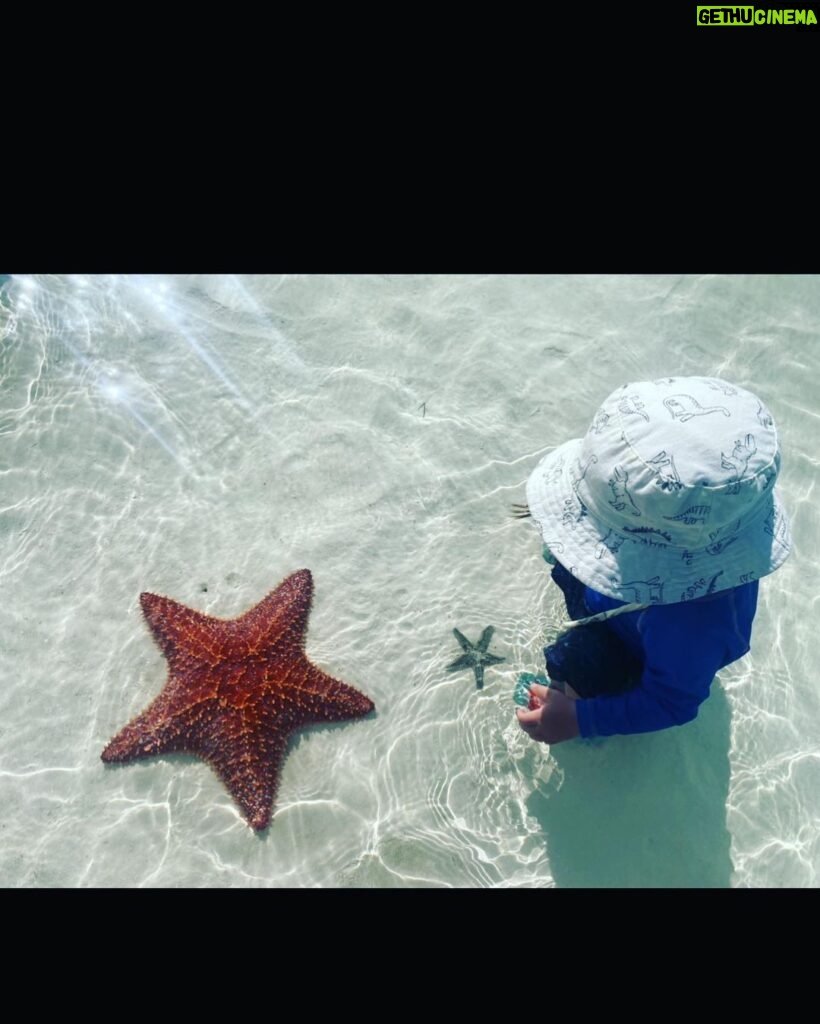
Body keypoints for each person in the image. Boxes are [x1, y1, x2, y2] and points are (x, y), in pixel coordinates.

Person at [514, 375, 792, 745]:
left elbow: (672, 702)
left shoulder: (692, 625)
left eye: (589, 520)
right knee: (565, 568)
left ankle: (577, 714)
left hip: (636, 646)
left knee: (575, 664)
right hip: (627, 609)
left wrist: (581, 719)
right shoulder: (715, 525)